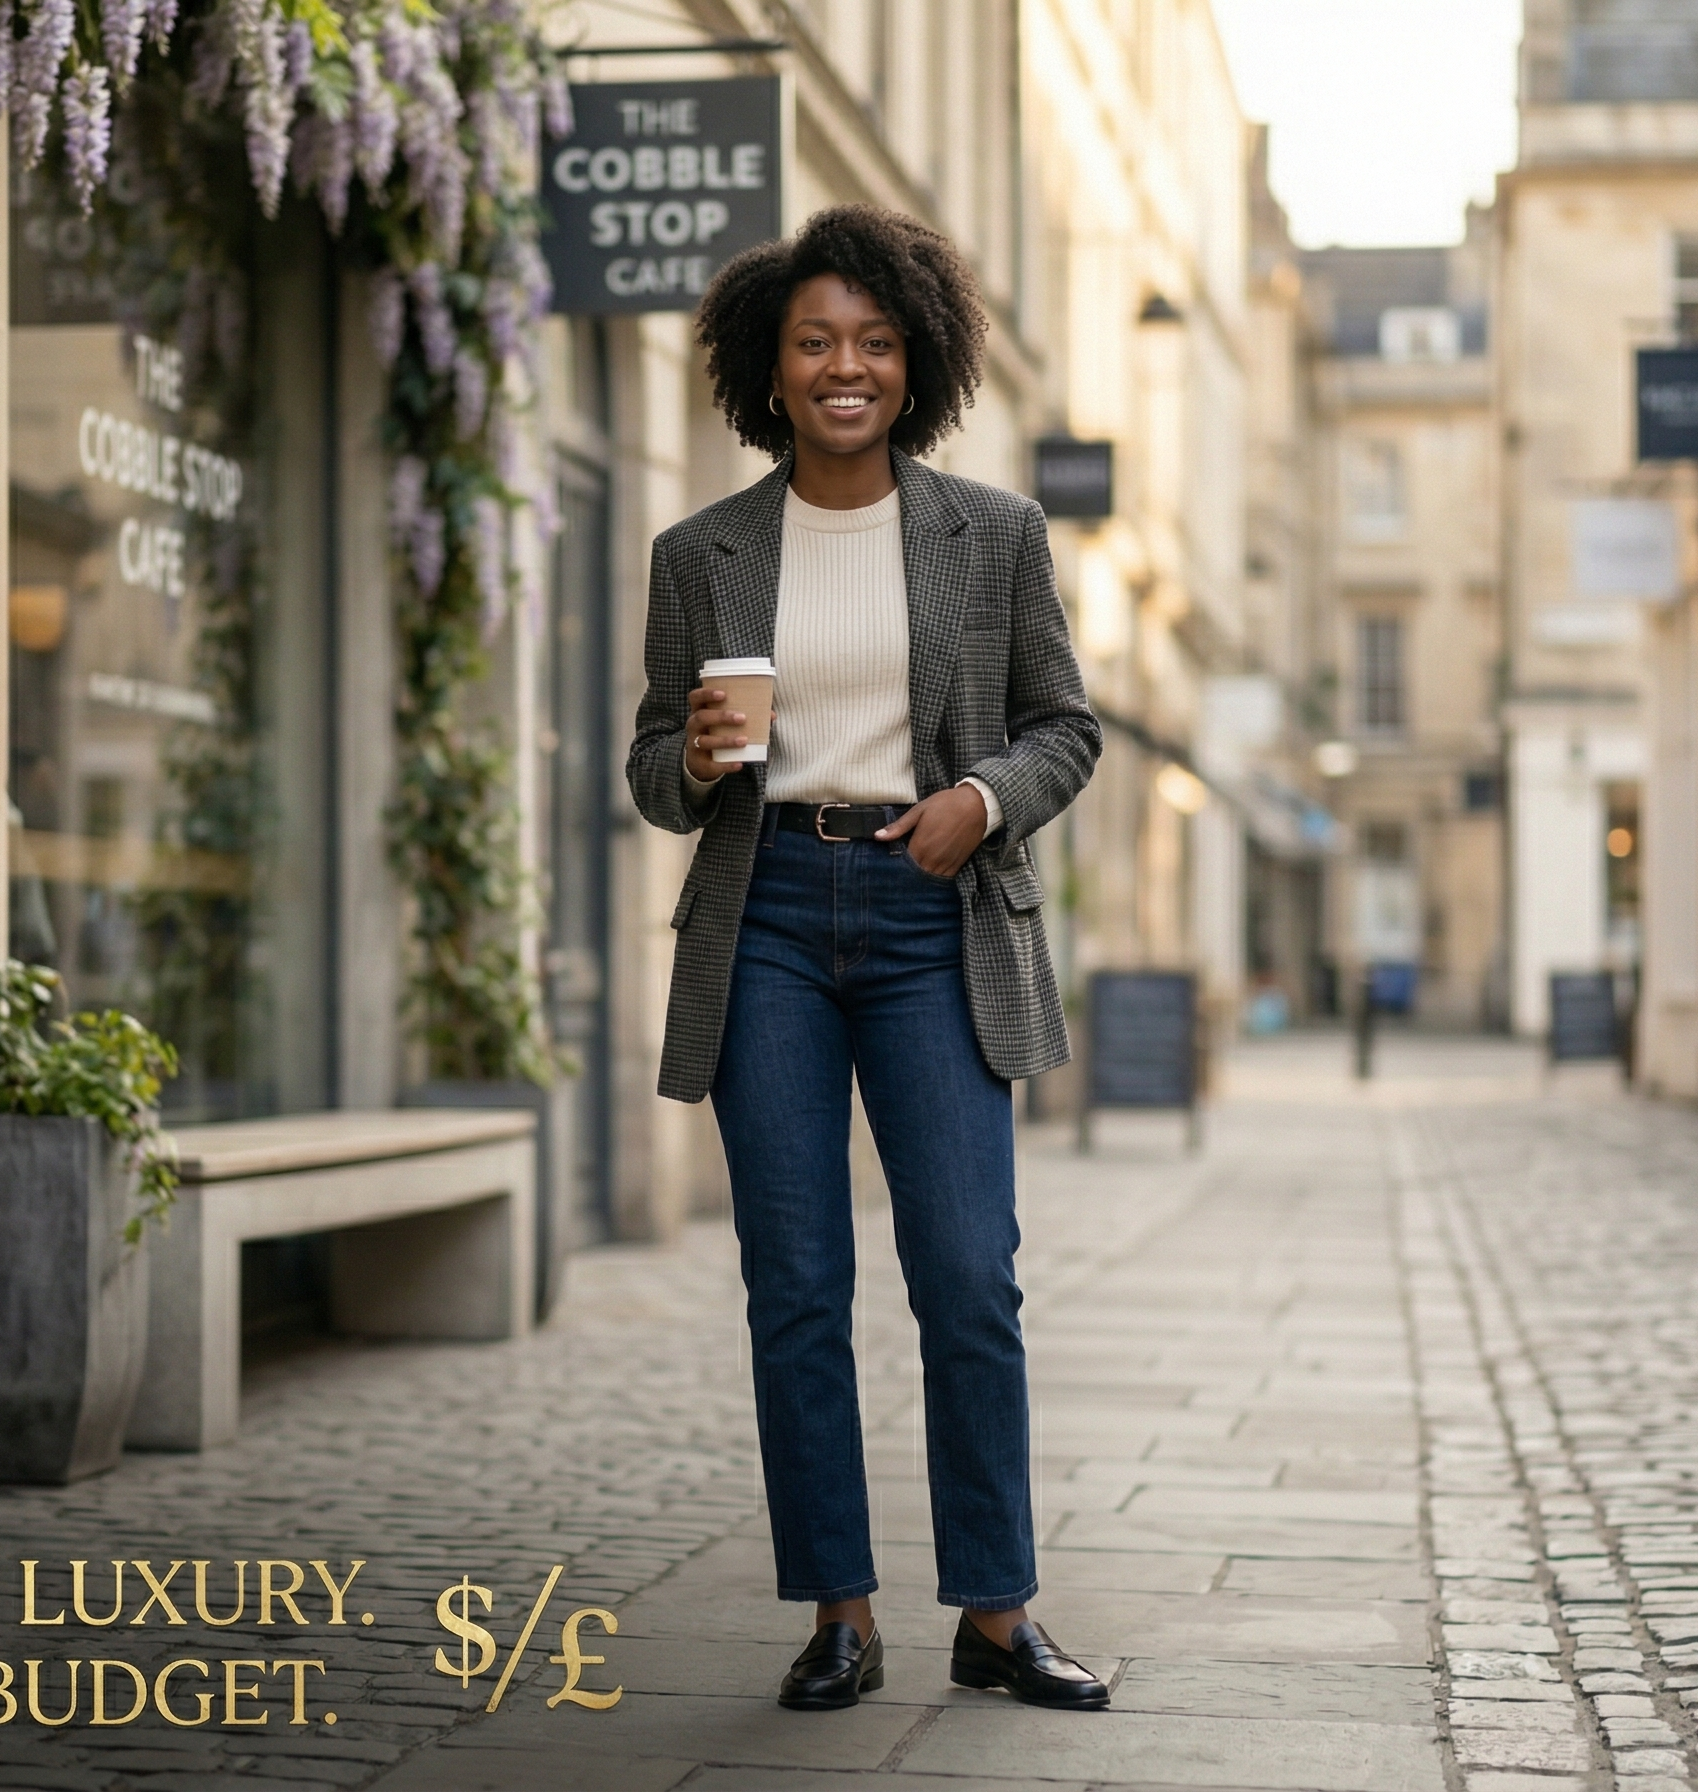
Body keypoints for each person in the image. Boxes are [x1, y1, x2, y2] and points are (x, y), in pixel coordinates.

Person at [625, 205, 1106, 1713]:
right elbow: (652, 766)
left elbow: (1066, 729)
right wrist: (694, 761)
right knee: (797, 1280)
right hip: (766, 916)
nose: (847, 367)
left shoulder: (994, 534)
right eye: (818, 343)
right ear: (771, 368)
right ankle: (840, 1608)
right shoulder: (702, 552)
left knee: (968, 1273)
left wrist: (983, 802)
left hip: (930, 913)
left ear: (920, 361)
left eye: (876, 343)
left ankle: (997, 1612)